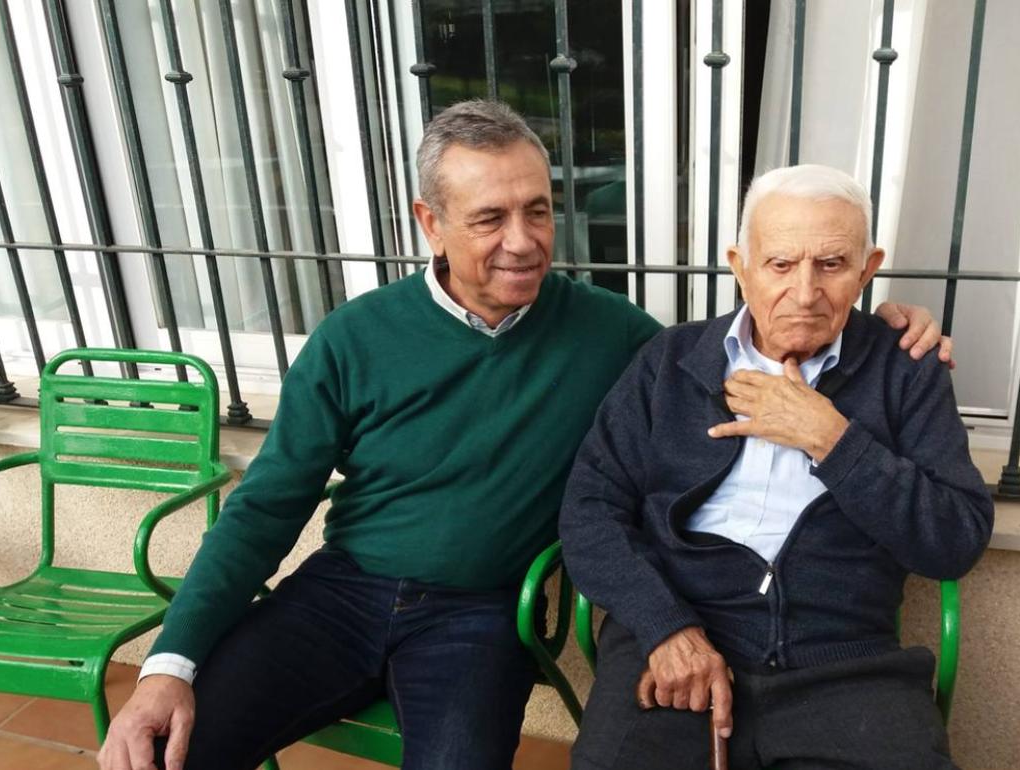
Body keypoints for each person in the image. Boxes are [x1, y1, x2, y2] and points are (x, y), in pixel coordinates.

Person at [99, 103, 950, 770]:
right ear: (429, 223)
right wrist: (170, 665)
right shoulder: (355, 338)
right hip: (341, 591)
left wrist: (883, 334)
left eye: (538, 210)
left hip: (478, 616)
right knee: (173, 748)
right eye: (490, 217)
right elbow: (263, 511)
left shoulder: (617, 337)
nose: (523, 241)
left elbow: (775, 326)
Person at [560, 164, 993, 770]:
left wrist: (830, 436)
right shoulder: (671, 362)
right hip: (683, 645)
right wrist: (663, 626)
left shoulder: (904, 369)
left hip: (846, 663)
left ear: (868, 269)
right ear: (740, 265)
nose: (807, 291)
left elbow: (955, 541)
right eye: (781, 265)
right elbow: (589, 509)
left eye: (833, 265)